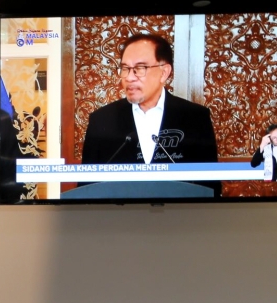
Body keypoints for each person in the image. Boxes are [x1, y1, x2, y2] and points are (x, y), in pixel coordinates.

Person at [80, 33, 220, 196]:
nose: (129, 78)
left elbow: (211, 187)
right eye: (125, 69)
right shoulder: (101, 120)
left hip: (180, 217)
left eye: (139, 69)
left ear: (164, 72)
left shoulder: (195, 118)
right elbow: (86, 188)